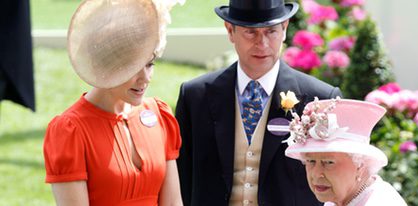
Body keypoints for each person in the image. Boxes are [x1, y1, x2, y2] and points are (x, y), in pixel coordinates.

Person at [175, 0, 342, 205]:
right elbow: (180, 179)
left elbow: (336, 184)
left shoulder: (321, 99)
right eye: (250, 32)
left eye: (271, 31)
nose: (261, 43)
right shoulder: (194, 96)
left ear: (284, 28)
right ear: (230, 31)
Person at [43, 0, 184, 205]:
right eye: (134, 67)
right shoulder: (70, 131)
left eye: (150, 64)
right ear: (106, 64)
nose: (145, 78)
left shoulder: (159, 115)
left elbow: (172, 203)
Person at [285, 98, 407, 206]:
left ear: (360, 165)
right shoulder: (340, 199)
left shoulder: (380, 202)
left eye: (328, 162)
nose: (316, 174)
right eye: (310, 161)